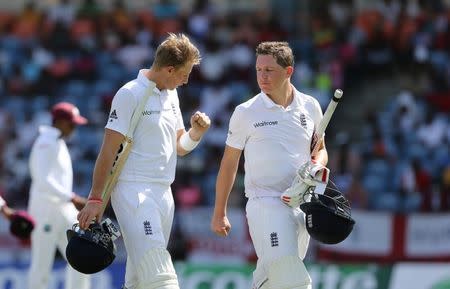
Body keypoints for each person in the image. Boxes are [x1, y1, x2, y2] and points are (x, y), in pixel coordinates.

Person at [77, 33, 210, 289]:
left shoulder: (171, 95)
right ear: (169, 69)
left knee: (139, 278)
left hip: (164, 193)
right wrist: (95, 199)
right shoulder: (130, 94)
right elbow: (108, 151)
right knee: (159, 271)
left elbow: (179, 148)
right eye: (185, 73)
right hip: (133, 190)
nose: (186, 80)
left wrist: (196, 133)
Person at [210, 42, 328, 289]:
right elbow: (229, 162)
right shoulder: (246, 111)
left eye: (269, 70)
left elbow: (321, 150)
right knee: (290, 276)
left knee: (271, 277)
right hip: (265, 202)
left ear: (288, 72)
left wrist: (317, 165)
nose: (262, 77)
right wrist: (219, 211)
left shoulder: (311, 106)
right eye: (258, 70)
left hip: (300, 202)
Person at [27, 102, 90, 289]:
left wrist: (69, 200)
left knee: (81, 260)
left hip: (63, 209)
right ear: (61, 122)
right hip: (45, 210)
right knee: (41, 264)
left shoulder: (57, 141)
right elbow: (42, 180)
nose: (74, 128)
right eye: (72, 124)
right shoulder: (46, 142)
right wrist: (72, 198)